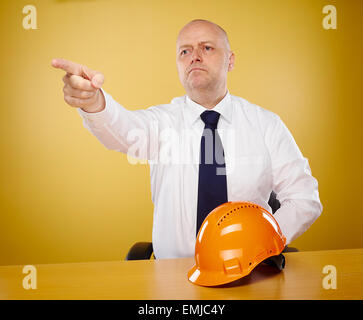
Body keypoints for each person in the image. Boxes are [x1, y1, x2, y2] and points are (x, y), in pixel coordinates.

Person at [51, 19, 323, 259]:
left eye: (207, 48)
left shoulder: (267, 125)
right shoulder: (161, 123)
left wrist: (262, 242)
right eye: (185, 51)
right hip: (174, 277)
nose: (194, 56)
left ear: (230, 60)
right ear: (179, 64)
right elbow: (120, 130)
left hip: (250, 270)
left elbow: (304, 198)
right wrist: (94, 101)